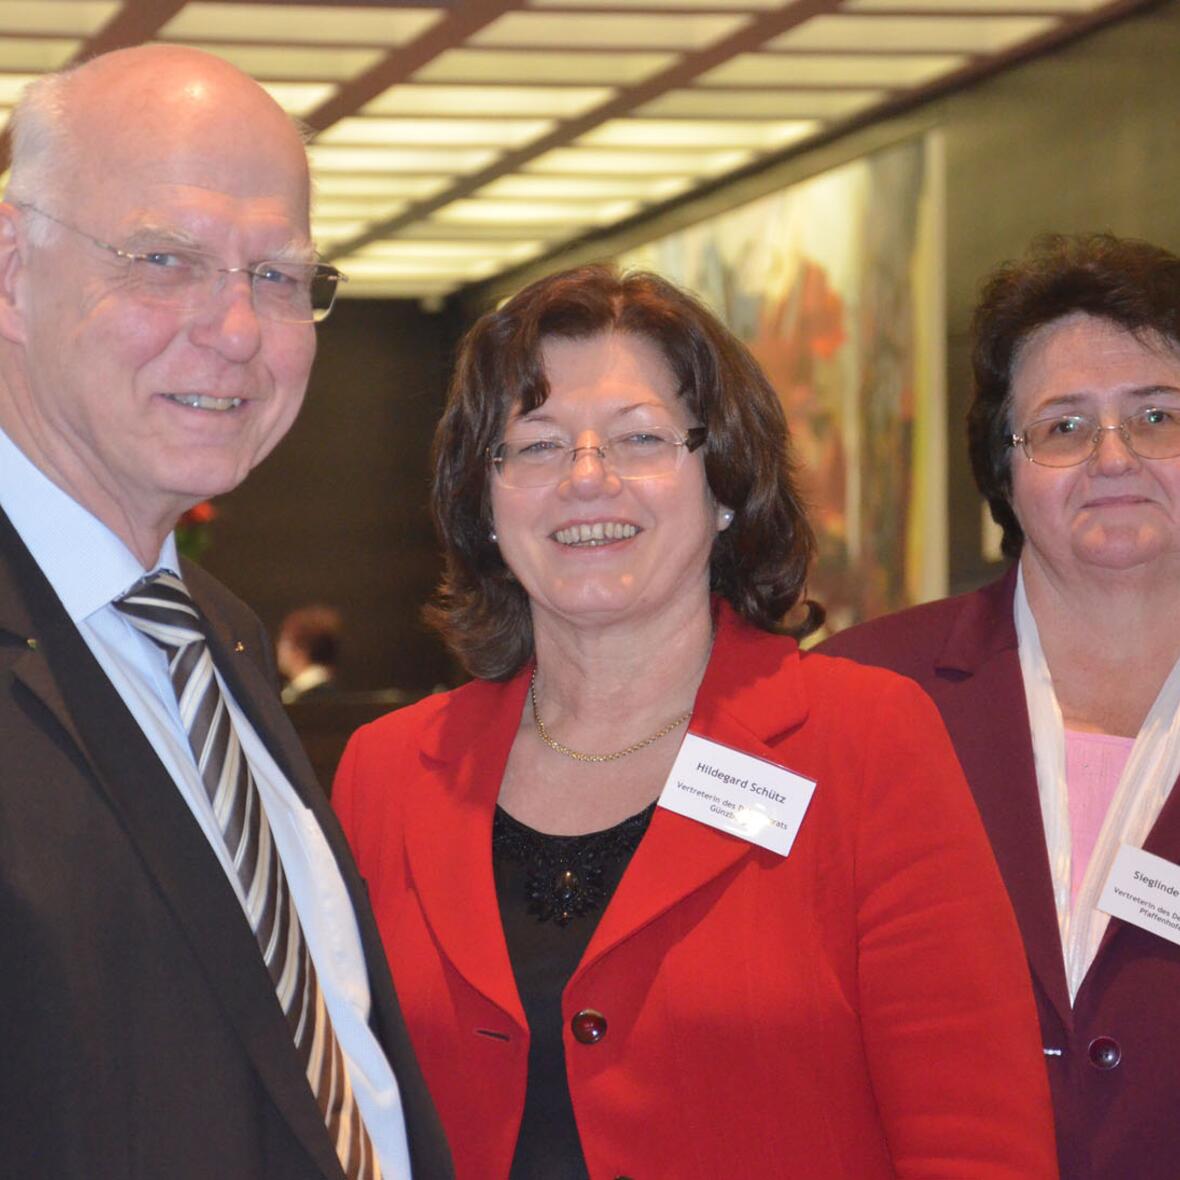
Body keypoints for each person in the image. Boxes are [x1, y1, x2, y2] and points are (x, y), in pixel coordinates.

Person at [333, 264, 1058, 1179]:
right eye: (539, 445)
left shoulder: (867, 742)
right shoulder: (388, 773)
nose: (587, 481)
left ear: (722, 486)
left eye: (638, 440)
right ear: (485, 499)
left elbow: (976, 1139)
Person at [0, 46, 451, 1180]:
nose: (238, 330)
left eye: (280, 277)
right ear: (9, 271)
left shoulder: (215, 635)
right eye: (165, 259)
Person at [821, 232, 1180, 1180]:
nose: (1114, 456)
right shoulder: (861, 695)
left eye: (1156, 415)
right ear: (1003, 467)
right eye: (1063, 426)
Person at [279, 604, 345, 703]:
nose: (279, 647)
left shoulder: (301, 701)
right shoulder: (333, 695)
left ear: (300, 648)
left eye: (284, 641)